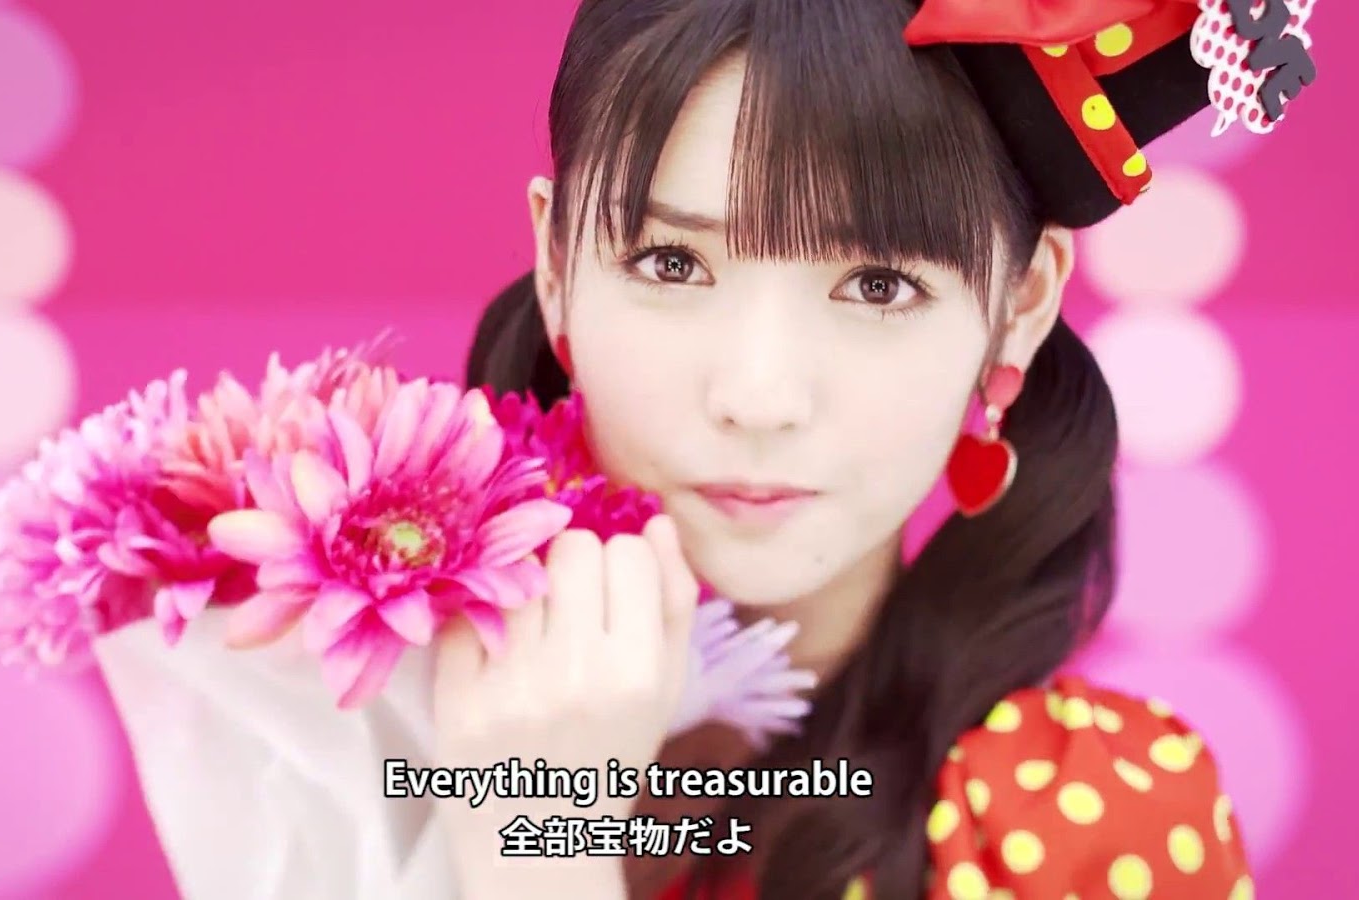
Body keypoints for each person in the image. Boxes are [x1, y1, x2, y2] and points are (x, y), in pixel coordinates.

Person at [436, 0, 1289, 897]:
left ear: (1022, 305)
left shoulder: (1079, 823)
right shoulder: (356, 705)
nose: (760, 399)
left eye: (878, 285)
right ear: (557, 264)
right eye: (672, 263)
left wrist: (539, 855)